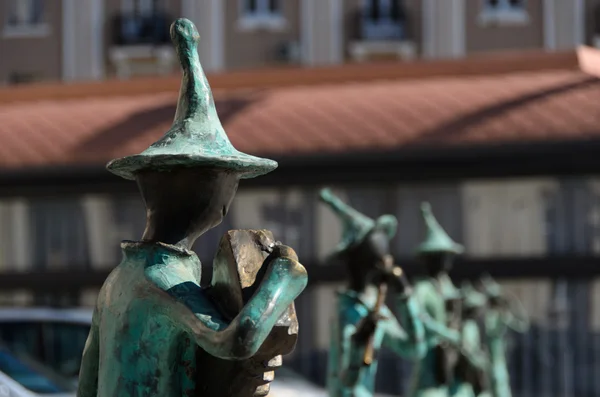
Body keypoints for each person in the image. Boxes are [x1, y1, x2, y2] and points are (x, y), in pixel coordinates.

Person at [77, 18, 308, 397]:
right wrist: (284, 281)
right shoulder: (164, 279)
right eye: (228, 188)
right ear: (211, 201)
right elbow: (235, 341)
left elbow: (87, 382)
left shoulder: (120, 279)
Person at [319, 189, 427, 397]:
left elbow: (414, 348)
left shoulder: (376, 308)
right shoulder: (347, 310)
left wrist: (404, 293)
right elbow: (347, 379)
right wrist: (360, 338)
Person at [408, 202, 470, 397]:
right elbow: (417, 316)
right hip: (430, 357)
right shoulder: (423, 288)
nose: (447, 262)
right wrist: (444, 333)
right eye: (443, 256)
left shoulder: (447, 285)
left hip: (450, 362)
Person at [476, 275, 529, 397]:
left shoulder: (500, 315)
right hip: (492, 362)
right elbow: (492, 332)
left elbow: (523, 326)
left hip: (499, 361)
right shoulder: (491, 316)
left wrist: (514, 303)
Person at [450, 282, 490, 397]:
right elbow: (466, 350)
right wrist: (480, 362)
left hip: (468, 378)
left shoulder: (471, 325)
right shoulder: (467, 326)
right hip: (462, 375)